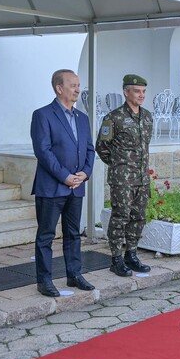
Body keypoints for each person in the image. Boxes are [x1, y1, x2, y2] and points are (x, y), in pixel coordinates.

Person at [30, 69, 97, 297]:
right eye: (73, 85)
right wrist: (65, 176)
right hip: (52, 187)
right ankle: (45, 280)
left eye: (78, 85)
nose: (78, 89)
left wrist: (84, 174)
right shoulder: (43, 115)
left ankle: (74, 274)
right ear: (59, 88)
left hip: (76, 186)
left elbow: (89, 149)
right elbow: (43, 151)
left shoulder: (82, 118)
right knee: (46, 236)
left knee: (73, 234)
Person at [96, 74, 154, 276]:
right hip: (122, 180)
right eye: (137, 91)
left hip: (142, 179)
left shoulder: (147, 116)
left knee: (138, 217)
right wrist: (119, 167)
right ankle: (116, 259)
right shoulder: (113, 118)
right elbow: (102, 147)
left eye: (144, 92)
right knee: (120, 217)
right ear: (126, 92)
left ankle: (131, 254)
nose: (141, 95)